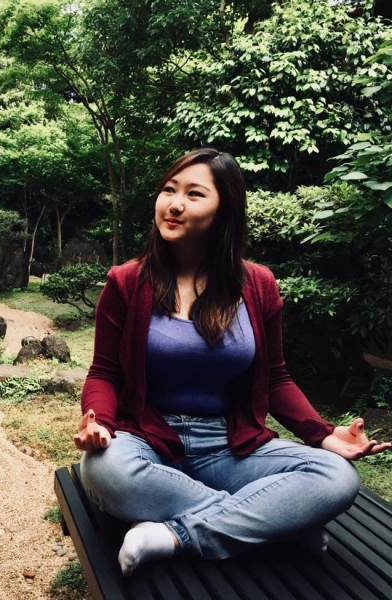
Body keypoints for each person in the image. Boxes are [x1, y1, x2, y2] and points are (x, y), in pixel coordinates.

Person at [74, 148, 391, 576]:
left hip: (227, 445)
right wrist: (100, 423)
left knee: (337, 477)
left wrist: (320, 434)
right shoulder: (127, 281)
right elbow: (105, 372)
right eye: (169, 190)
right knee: (105, 470)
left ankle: (174, 535)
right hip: (146, 437)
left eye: (194, 194)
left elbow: (276, 377)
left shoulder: (257, 284)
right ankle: (275, 523)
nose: (175, 203)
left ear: (225, 211)